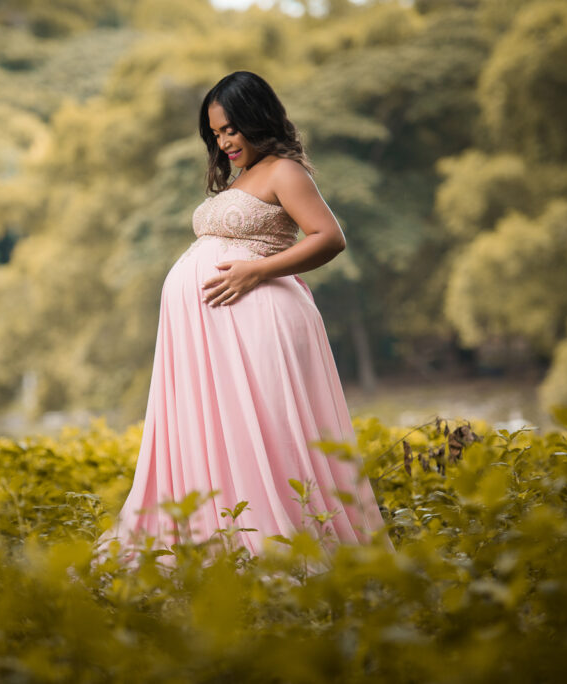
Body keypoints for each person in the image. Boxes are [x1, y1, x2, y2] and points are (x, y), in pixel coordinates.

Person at [97, 71, 395, 565]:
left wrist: (255, 271)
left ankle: (278, 548)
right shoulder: (242, 178)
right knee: (221, 435)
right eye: (215, 133)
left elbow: (328, 237)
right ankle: (219, 539)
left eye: (231, 129)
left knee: (266, 433)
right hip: (213, 336)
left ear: (257, 119)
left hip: (258, 324)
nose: (224, 141)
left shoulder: (284, 171)